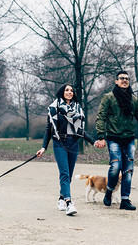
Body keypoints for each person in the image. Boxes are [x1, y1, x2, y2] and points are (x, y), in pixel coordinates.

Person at [95, 70, 138, 210]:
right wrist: (101, 136)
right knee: (115, 167)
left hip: (129, 139)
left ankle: (125, 200)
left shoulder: (133, 99)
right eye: (121, 78)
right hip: (113, 138)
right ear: (116, 81)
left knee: (128, 169)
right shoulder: (108, 97)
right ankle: (109, 191)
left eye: (127, 78)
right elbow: (101, 116)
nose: (124, 80)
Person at [36, 84, 95, 216]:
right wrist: (43, 147)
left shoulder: (78, 109)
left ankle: (61, 198)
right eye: (67, 90)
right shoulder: (53, 108)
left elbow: (80, 130)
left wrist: (93, 141)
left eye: (71, 91)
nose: (69, 92)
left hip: (73, 143)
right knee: (64, 173)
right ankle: (69, 203)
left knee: (69, 175)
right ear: (62, 92)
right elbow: (49, 129)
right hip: (59, 143)